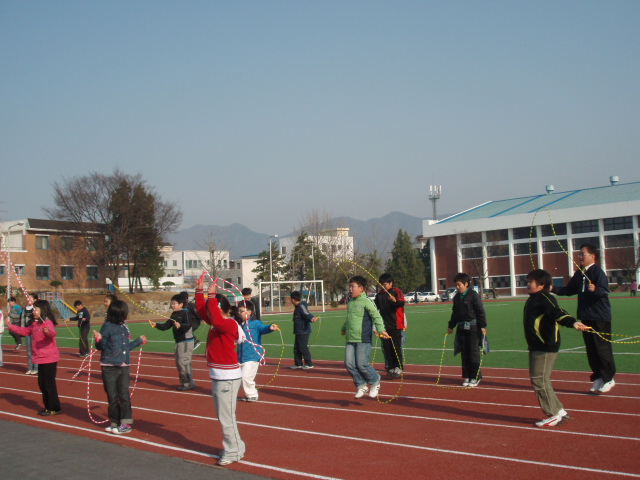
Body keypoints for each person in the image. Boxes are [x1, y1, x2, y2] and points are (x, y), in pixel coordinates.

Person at [524, 269, 587, 427]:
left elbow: (557, 312)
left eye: (531, 281)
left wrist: (572, 322)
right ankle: (559, 411)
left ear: (541, 285)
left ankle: (552, 414)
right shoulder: (534, 298)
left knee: (539, 380)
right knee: (540, 379)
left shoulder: (545, 298)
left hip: (545, 346)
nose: (528, 284)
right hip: (536, 345)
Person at [551, 244, 616, 393]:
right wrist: (552, 289)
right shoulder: (580, 273)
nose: (579, 257)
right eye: (579, 254)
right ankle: (598, 377)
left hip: (600, 317)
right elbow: (569, 290)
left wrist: (596, 289)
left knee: (602, 348)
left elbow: (605, 291)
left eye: (583, 254)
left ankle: (609, 378)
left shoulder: (598, 272)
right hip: (585, 316)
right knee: (591, 349)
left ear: (592, 256)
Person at [195, 277, 246, 466]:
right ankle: (236, 446)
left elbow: (213, 316)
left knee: (226, 417)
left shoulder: (229, 324)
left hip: (228, 378)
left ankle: (233, 450)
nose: (209, 313)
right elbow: (202, 312)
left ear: (220, 309)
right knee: (223, 416)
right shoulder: (217, 323)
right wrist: (199, 292)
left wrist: (212, 295)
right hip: (219, 376)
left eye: (213, 308)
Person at [93, 299, 146, 435]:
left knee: (124, 395)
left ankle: (126, 423)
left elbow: (126, 347)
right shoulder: (107, 326)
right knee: (112, 396)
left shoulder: (124, 328)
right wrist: (98, 339)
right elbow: (101, 347)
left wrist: (139, 341)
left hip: (123, 365)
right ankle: (115, 421)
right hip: (108, 366)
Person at [5, 299, 62, 416]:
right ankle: (48, 406)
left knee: (48, 384)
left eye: (35, 309)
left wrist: (48, 332)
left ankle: (54, 408)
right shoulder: (35, 324)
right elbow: (25, 331)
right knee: (42, 384)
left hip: (49, 358)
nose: (33, 311)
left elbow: (52, 333)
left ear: (43, 311)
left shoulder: (47, 323)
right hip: (40, 358)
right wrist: (11, 326)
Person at [342, 276, 388, 399]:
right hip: (350, 339)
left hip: (363, 338)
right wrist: (343, 328)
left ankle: (375, 380)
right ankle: (361, 384)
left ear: (361, 288)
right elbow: (350, 319)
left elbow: (376, 316)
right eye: (349, 286)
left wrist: (380, 329)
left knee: (362, 364)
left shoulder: (367, 301)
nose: (350, 289)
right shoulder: (351, 302)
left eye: (353, 286)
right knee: (349, 364)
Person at [446, 273, 487, 387]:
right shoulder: (457, 297)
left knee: (473, 352)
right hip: (461, 328)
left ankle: (475, 376)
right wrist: (451, 325)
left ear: (466, 284)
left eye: (459, 285)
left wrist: (483, 326)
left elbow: (480, 311)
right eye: (456, 285)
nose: (457, 287)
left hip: (473, 328)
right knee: (464, 353)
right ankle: (468, 376)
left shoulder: (473, 295)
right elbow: (455, 313)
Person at [150, 295, 196, 391]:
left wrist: (180, 326)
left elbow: (188, 325)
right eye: (172, 303)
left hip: (186, 341)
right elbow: (166, 326)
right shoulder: (174, 314)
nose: (172, 305)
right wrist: (156, 325)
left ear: (181, 304)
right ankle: (186, 382)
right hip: (179, 341)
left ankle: (187, 383)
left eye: (174, 303)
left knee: (183, 362)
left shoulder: (185, 313)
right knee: (179, 363)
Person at [235, 300, 277, 402]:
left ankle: (252, 394)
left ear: (249, 312)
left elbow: (263, 328)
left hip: (252, 356)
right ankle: (246, 394)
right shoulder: (239, 324)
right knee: (239, 378)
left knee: (245, 377)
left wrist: (270, 327)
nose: (239, 313)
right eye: (239, 311)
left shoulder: (255, 323)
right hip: (241, 356)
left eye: (242, 311)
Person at [374, 273, 406, 378]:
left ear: (391, 283)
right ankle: (391, 367)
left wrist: (395, 301)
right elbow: (375, 309)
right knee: (386, 348)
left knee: (396, 347)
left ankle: (398, 367)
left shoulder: (397, 292)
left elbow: (402, 302)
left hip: (396, 325)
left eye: (385, 284)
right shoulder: (379, 295)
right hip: (384, 326)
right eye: (381, 284)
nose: (383, 286)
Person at [289, 291, 319, 370]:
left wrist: (312, 318)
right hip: (298, 330)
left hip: (303, 330)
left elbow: (306, 313)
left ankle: (309, 363)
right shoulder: (297, 307)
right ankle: (298, 363)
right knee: (296, 347)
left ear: (292, 299)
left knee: (303, 347)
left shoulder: (301, 306)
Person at [22, 300, 39, 375]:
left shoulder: (35, 309)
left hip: (34, 331)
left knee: (35, 350)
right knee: (29, 351)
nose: (28, 299)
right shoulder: (25, 309)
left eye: (30, 298)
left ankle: (36, 368)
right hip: (27, 330)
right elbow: (22, 319)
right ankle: (29, 368)